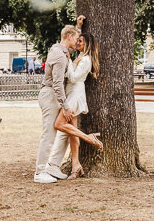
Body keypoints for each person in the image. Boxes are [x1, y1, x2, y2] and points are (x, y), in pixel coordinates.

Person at [49, 17, 103, 179]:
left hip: (75, 94)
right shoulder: (80, 57)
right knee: (71, 133)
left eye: (80, 41)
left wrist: (68, 61)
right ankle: (75, 165)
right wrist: (78, 26)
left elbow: (73, 78)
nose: (77, 43)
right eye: (77, 40)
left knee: (59, 124)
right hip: (71, 92)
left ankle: (89, 138)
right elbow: (69, 38)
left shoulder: (86, 60)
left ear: (86, 45)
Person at [34, 23, 81, 183]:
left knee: (65, 131)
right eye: (75, 38)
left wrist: (77, 26)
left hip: (54, 95)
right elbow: (57, 84)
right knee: (49, 133)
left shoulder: (60, 50)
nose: (77, 42)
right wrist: (66, 106)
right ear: (69, 37)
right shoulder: (60, 56)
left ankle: (53, 166)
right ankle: (39, 172)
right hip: (50, 95)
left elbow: (72, 46)